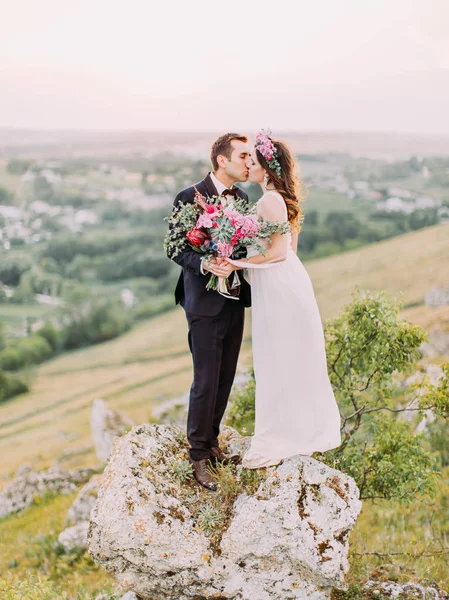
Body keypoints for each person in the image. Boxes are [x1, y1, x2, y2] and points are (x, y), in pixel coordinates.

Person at [222, 130, 341, 468]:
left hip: (277, 286)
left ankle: (282, 434)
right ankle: (295, 430)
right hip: (288, 283)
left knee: (277, 356)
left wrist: (239, 263)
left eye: (254, 162)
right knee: (287, 356)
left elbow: (277, 252)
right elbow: (292, 251)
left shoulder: (270, 200)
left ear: (267, 169)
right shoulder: (284, 198)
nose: (249, 166)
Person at [166, 133, 252, 490]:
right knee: (205, 380)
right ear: (222, 160)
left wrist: (235, 259)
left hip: (234, 299)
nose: (249, 162)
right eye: (243, 156)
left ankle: (213, 443)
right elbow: (175, 249)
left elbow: (246, 247)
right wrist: (207, 265)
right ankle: (198, 456)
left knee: (225, 376)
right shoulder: (188, 197)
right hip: (202, 303)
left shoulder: (243, 199)